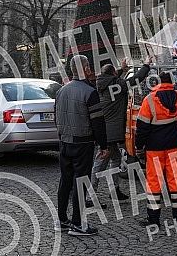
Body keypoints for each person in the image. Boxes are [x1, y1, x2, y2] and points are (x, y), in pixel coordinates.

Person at [87, 55, 152, 207]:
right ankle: (89, 197)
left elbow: (111, 76)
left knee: (115, 159)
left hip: (108, 131)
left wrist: (122, 69)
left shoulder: (101, 83)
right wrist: (147, 65)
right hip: (110, 133)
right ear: (114, 75)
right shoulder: (116, 85)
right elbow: (137, 78)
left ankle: (114, 190)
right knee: (99, 164)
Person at [135, 70, 177, 228]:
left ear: (157, 83)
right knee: (176, 182)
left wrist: (139, 147)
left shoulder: (149, 100)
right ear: (172, 82)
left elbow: (141, 128)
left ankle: (153, 218)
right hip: (175, 148)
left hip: (154, 149)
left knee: (154, 183)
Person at [55, 55, 108, 236]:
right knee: (80, 182)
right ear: (85, 69)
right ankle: (77, 223)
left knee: (65, 181)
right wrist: (104, 145)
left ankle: (62, 220)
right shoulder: (90, 92)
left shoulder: (61, 91)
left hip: (64, 142)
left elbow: (58, 118)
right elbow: (98, 123)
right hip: (83, 143)